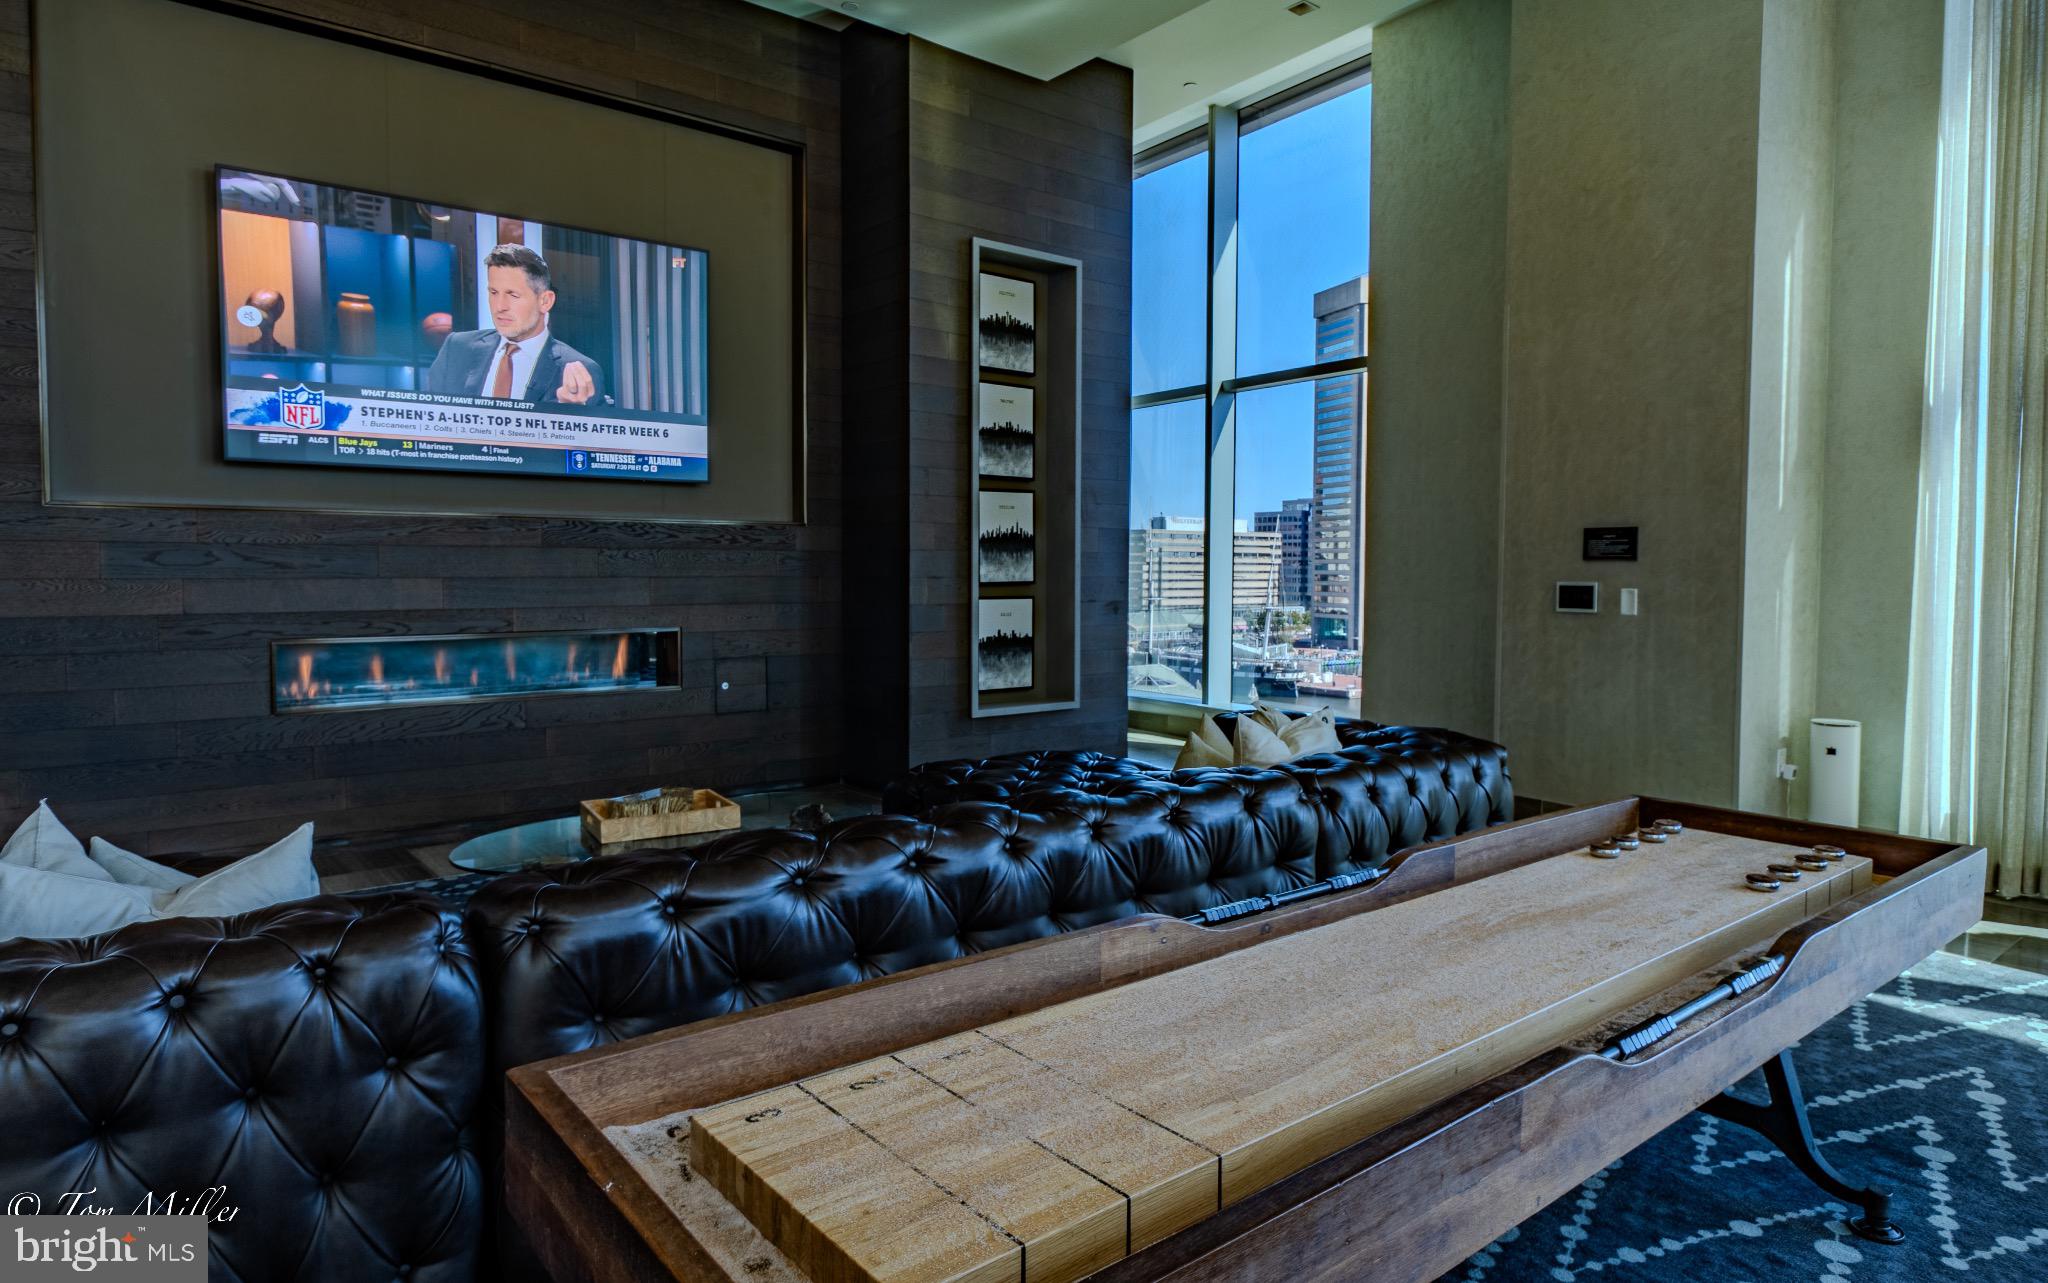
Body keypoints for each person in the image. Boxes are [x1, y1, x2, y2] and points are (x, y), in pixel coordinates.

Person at [424, 244, 605, 405]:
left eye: (513, 295)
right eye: (494, 292)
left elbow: (591, 442)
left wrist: (571, 416)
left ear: (545, 301)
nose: (500, 306)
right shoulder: (457, 348)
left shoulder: (579, 370)